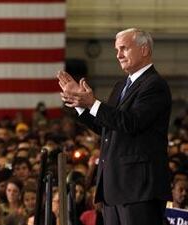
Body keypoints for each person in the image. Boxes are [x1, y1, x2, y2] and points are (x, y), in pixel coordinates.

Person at [57, 28, 172, 225]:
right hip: (113, 188)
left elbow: (131, 122)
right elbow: (107, 127)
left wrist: (93, 103)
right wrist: (81, 105)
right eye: (116, 49)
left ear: (144, 50)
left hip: (138, 189)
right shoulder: (121, 86)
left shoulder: (154, 85)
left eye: (124, 49)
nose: (118, 55)